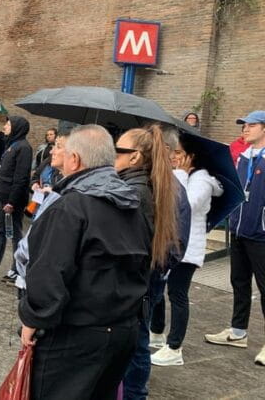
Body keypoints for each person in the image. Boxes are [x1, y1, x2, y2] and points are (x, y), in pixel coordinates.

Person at [19, 125, 151, 400]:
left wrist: (33, 318)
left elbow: (49, 272)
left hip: (75, 336)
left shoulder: (70, 207)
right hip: (122, 331)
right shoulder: (131, 203)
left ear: (75, 160)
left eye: (64, 152)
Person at [115, 125, 182, 400]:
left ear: (135, 157)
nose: (113, 155)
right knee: (138, 340)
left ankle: (134, 394)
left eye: (119, 151)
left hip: (138, 278)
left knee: (137, 343)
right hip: (146, 276)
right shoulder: (145, 186)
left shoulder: (135, 191)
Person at [149, 133, 223, 366]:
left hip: (188, 248)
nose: (173, 157)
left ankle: (174, 347)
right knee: (157, 288)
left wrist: (178, 176)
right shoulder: (181, 175)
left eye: (178, 153)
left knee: (177, 295)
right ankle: (157, 332)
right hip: (171, 243)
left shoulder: (201, 179)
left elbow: (185, 206)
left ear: (191, 156)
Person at [205, 111, 265, 366]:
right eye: (244, 126)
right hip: (239, 230)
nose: (245, 130)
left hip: (261, 234)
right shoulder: (243, 158)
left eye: (251, 126)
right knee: (239, 283)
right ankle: (238, 331)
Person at [14, 132, 69, 295]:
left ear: (74, 156)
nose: (52, 151)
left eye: (58, 146)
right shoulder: (47, 163)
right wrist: (35, 186)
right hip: (38, 212)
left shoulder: (67, 196)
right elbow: (34, 177)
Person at [0, 116, 32, 280]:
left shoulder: (23, 148)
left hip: (13, 201)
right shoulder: (12, 145)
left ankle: (17, 268)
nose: (4, 127)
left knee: (14, 234)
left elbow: (21, 177)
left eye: (8, 124)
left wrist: (12, 201)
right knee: (0, 230)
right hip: (3, 198)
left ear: (17, 127)